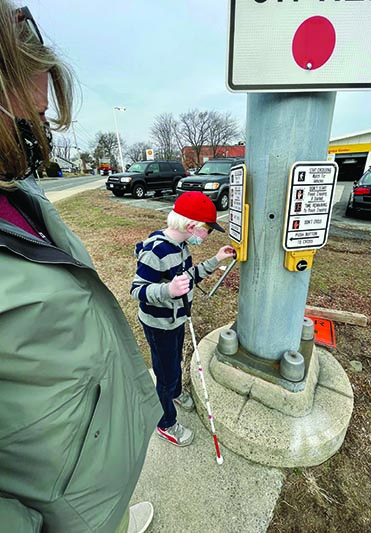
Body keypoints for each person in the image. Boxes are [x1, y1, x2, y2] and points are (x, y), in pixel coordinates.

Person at [0, 3, 161, 532]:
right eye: (34, 122)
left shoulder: (18, 196)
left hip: (93, 487)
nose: (42, 139)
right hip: (65, 512)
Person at [131, 191, 235, 447]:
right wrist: (169, 291)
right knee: (165, 374)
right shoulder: (156, 251)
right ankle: (165, 422)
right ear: (191, 226)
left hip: (176, 320)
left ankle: (176, 392)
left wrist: (216, 260)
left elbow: (188, 276)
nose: (208, 236)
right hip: (159, 325)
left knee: (174, 360)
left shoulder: (181, 246)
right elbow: (137, 290)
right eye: (207, 230)